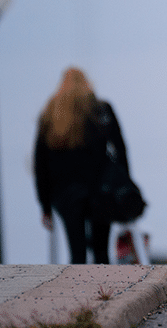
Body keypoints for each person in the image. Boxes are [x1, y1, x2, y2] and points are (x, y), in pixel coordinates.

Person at [34, 67, 129, 264]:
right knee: (101, 252)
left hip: (65, 192)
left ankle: (79, 291)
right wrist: (124, 188)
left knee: (77, 253)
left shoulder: (51, 113)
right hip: (101, 190)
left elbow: (40, 162)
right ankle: (105, 292)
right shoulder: (101, 109)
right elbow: (120, 149)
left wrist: (44, 205)